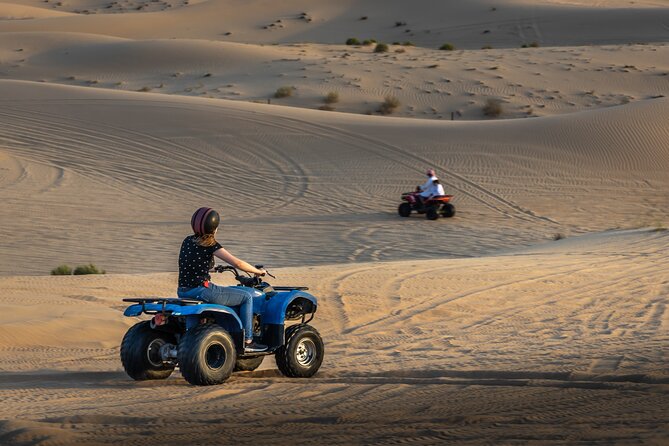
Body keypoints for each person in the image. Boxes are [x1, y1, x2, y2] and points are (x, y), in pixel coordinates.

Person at [177, 207, 268, 352]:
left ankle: (191, 342)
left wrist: (212, 269)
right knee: (246, 297)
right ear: (213, 228)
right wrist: (259, 272)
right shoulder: (210, 245)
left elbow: (191, 263)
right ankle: (248, 341)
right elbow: (238, 264)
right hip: (201, 290)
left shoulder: (187, 241)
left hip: (183, 291)